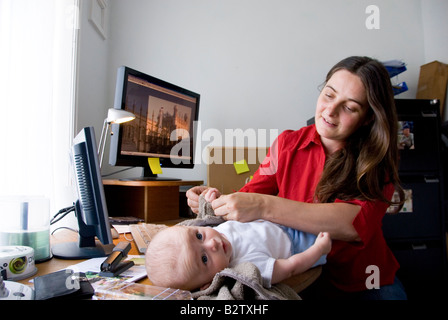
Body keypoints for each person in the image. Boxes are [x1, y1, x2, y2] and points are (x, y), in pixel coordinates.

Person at [186, 56, 407, 300]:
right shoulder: (287, 144)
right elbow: (249, 196)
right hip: (302, 275)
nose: (330, 111)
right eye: (329, 95)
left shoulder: (377, 158)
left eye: (350, 107)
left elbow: (353, 224)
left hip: (362, 282)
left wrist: (264, 206)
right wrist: (216, 199)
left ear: (367, 118)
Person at [145, 215, 331, 291]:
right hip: (299, 244)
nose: (213, 244)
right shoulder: (246, 267)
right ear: (209, 283)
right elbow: (290, 268)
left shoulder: (217, 232)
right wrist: (318, 250)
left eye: (199, 235)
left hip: (280, 220)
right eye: (204, 259)